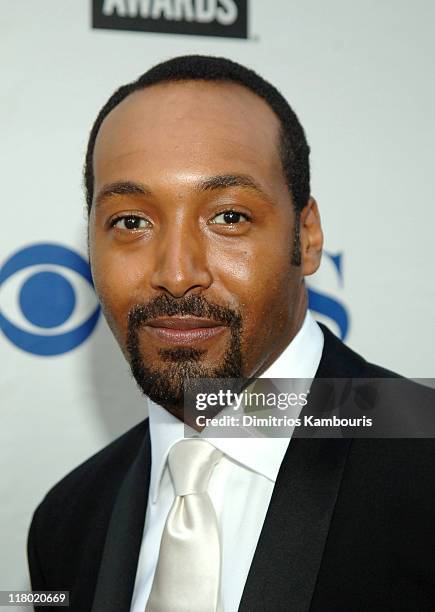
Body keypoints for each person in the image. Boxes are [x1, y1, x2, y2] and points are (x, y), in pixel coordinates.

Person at [27, 55, 435, 612]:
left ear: (307, 236)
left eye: (229, 217)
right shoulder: (67, 521)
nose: (176, 273)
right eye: (131, 222)